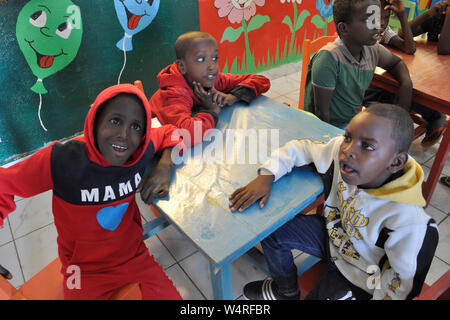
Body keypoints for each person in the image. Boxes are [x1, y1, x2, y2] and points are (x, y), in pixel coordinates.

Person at [229, 104, 439, 300]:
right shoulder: (340, 152)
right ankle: (286, 291)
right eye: (348, 137)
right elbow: (301, 148)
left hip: (363, 275)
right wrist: (267, 175)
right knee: (272, 230)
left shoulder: (410, 222)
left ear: (396, 162)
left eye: (367, 146)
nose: (348, 150)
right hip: (334, 239)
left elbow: (401, 287)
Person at [0, 84, 184, 300]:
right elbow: (4, 183)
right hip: (81, 270)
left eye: (136, 127)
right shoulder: (62, 160)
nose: (124, 135)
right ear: (95, 120)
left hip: (134, 258)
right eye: (115, 121)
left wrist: (165, 165)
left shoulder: (139, 150)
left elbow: (172, 132)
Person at [303, 0, 413, 130]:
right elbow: (321, 114)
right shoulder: (329, 58)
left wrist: (406, 84)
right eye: (368, 20)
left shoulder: (372, 49)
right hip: (325, 128)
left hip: (351, 124)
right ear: (344, 28)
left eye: (376, 18)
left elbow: (396, 63)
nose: (377, 25)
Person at [150, 31, 270, 147]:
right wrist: (212, 110)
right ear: (182, 66)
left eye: (214, 58)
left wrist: (233, 97)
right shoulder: (173, 93)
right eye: (201, 59)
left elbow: (260, 80)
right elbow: (188, 134)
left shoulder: (211, 79)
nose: (212, 66)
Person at [364, 0, 447, 148]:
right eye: (377, 18)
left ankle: (429, 117)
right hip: (365, 89)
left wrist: (402, 15)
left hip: (371, 85)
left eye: (386, 18)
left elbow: (410, 48)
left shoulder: (384, 33)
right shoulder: (362, 35)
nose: (382, 23)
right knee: (395, 91)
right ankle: (434, 116)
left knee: (403, 86)